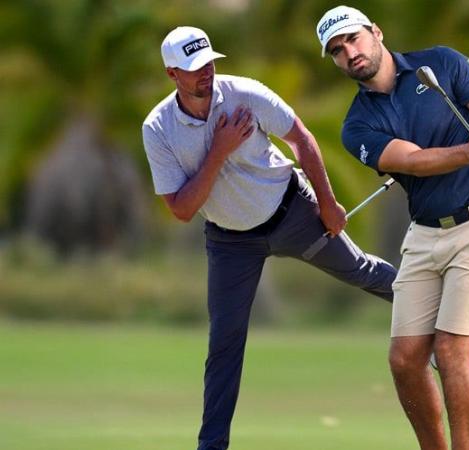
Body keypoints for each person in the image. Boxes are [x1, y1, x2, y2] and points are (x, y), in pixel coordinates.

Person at [142, 26, 396, 450]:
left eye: (208, 63)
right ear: (172, 74)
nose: (205, 73)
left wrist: (329, 205)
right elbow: (182, 209)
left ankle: (442, 323)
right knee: (224, 343)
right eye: (193, 68)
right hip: (230, 242)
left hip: (292, 211)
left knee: (362, 272)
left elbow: (302, 140)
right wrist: (220, 149)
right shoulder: (158, 128)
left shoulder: (246, 94)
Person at [316, 6, 469, 450]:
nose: (349, 52)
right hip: (425, 234)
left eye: (353, 39)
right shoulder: (357, 125)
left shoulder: (441, 64)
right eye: (337, 50)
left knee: (450, 353)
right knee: (405, 360)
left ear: (376, 32)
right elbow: (410, 161)